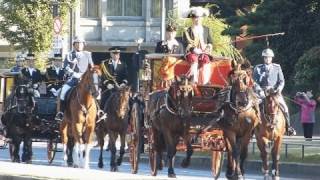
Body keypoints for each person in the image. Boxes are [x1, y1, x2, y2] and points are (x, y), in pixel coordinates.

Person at [253, 48, 296, 136]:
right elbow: (254, 82)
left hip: (274, 92)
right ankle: (252, 128)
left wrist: (279, 90)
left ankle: (289, 127)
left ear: (271, 58)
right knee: (253, 107)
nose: (267, 59)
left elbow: (281, 81)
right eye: (265, 57)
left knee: (285, 107)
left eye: (269, 57)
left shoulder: (277, 67)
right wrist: (259, 91)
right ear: (263, 58)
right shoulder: (258, 68)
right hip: (262, 92)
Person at [55, 36, 94, 121]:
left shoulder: (88, 54)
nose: (80, 45)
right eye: (78, 43)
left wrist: (88, 75)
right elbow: (65, 67)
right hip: (73, 79)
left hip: (85, 80)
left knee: (96, 92)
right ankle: (61, 112)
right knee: (63, 91)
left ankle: (98, 112)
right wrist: (74, 74)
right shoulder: (69, 55)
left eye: (81, 43)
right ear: (74, 45)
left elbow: (91, 67)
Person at [182, 7, 212, 85]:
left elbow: (210, 41)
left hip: (204, 52)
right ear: (192, 19)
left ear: (202, 18)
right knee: (194, 59)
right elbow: (186, 43)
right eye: (195, 18)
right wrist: (194, 49)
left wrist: (208, 48)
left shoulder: (206, 29)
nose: (197, 20)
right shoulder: (187, 30)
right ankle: (193, 81)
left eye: (199, 18)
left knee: (206, 60)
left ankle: (205, 82)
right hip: (192, 53)